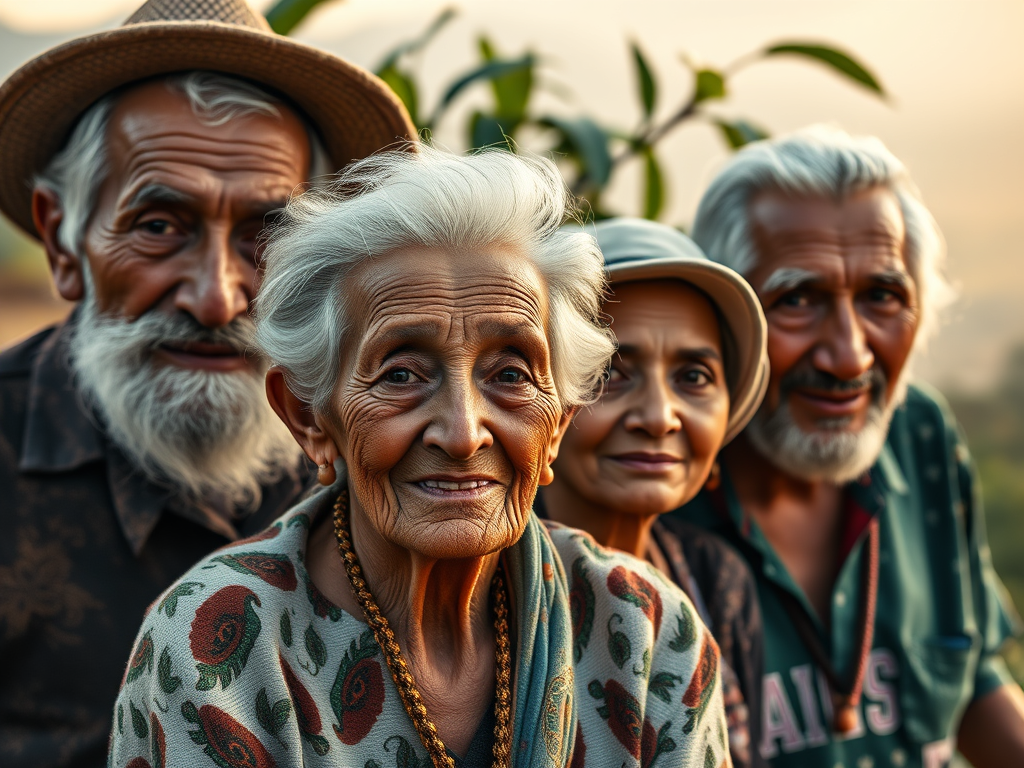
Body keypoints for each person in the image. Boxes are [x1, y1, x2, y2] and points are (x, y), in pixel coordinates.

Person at [110, 147, 732, 768]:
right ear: (309, 417)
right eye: (402, 373)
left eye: (511, 374)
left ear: (558, 425)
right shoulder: (220, 646)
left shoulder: (647, 635)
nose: (463, 435)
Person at [0, 0, 415, 764]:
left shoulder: (396, 457)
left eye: (267, 236)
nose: (218, 298)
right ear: (63, 237)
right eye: (158, 226)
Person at [675, 125, 1024, 767]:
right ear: (727, 320)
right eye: (798, 298)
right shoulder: (658, 494)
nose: (849, 356)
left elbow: (972, 682)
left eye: (882, 297)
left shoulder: (919, 435)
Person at [539, 218, 769, 768]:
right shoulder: (482, 586)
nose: (659, 417)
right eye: (611, 372)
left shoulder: (716, 580)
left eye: (693, 376)